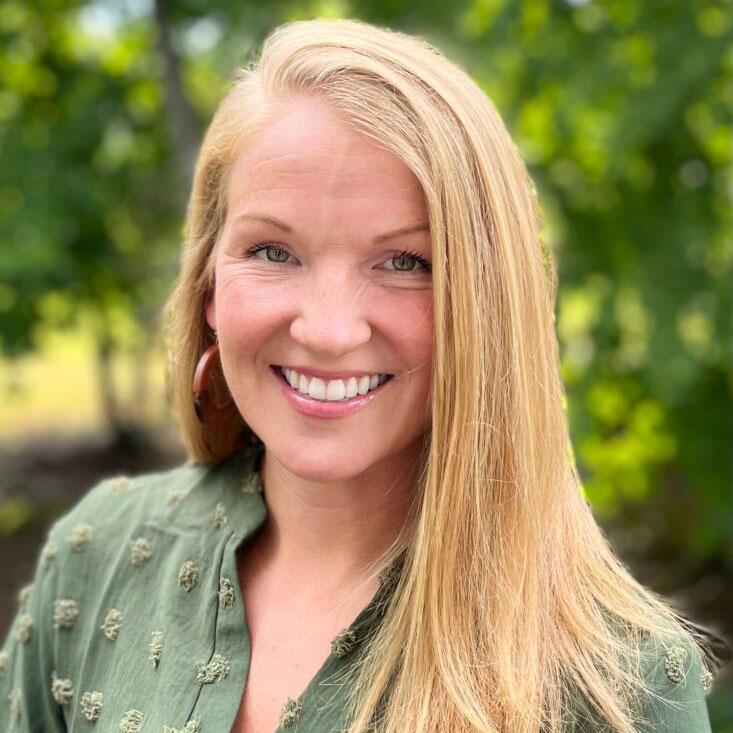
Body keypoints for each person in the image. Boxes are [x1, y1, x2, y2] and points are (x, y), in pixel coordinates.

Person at [0, 18, 723, 733]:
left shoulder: (617, 684)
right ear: (209, 287)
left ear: (487, 309)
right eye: (273, 251)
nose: (328, 328)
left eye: (404, 262)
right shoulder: (98, 555)